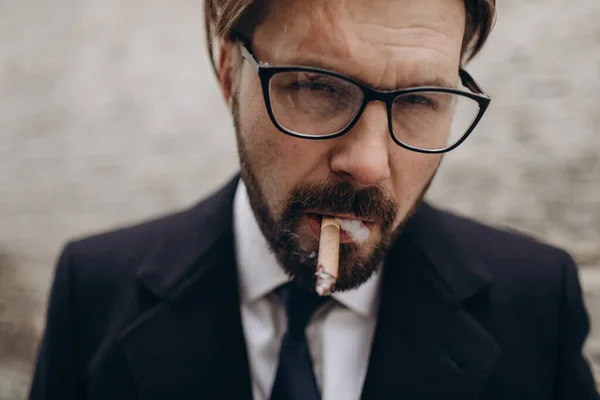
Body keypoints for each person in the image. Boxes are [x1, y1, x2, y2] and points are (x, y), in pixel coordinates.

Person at [29, 0, 599, 398]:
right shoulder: (95, 291)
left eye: (422, 99)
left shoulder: (536, 303)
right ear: (230, 73)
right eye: (318, 87)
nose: (369, 163)